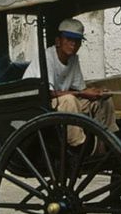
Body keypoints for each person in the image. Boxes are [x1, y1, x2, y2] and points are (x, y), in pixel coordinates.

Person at [44, 18, 116, 146]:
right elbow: (47, 93)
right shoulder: (48, 57)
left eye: (77, 41)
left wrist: (97, 92)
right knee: (69, 100)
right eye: (69, 40)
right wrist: (81, 94)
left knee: (103, 100)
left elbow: (81, 89)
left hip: (60, 103)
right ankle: (78, 144)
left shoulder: (73, 59)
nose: (73, 44)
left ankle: (109, 140)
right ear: (58, 41)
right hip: (44, 105)